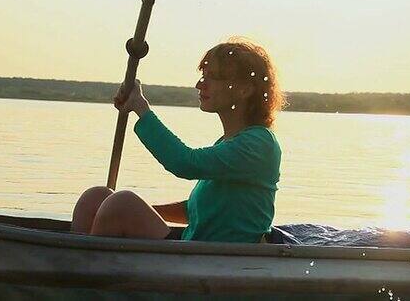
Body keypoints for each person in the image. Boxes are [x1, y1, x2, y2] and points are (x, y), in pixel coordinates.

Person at [71, 37, 285, 243]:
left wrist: (141, 108)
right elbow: (198, 210)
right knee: (96, 198)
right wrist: (145, 212)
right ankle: (72, 270)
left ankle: (91, 272)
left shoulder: (259, 144)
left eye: (213, 76)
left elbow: (185, 163)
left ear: (245, 89)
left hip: (217, 257)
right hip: (194, 246)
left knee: (120, 203)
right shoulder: (228, 142)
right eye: (203, 74)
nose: (200, 84)